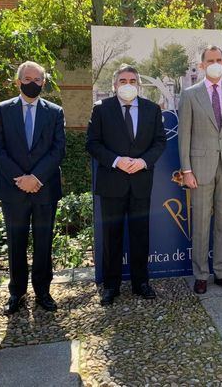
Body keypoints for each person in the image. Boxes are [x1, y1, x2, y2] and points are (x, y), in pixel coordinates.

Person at [86, 64, 166, 306]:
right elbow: (92, 143)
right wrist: (117, 161)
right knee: (112, 237)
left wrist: (143, 161)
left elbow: (160, 142)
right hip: (112, 182)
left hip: (141, 182)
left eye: (132, 80)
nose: (128, 84)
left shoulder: (152, 110)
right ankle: (111, 286)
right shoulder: (102, 110)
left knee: (140, 235)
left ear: (139, 84)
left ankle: (141, 283)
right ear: (114, 85)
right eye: (123, 80)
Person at [0, 61, 66, 315]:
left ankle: (43, 291)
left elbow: (58, 150)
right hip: (13, 189)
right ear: (18, 81)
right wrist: (21, 178)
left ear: (44, 83)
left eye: (38, 80)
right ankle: (17, 293)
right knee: (16, 242)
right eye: (28, 79)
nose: (32, 83)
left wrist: (36, 177)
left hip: (45, 188)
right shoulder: (2, 110)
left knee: (44, 242)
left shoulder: (55, 112)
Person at [178, 45, 222, 294]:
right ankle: (200, 274)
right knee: (200, 223)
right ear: (202, 65)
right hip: (200, 168)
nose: (215, 63)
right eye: (210, 60)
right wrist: (186, 169)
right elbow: (183, 135)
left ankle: (221, 272)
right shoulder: (189, 94)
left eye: (219, 59)